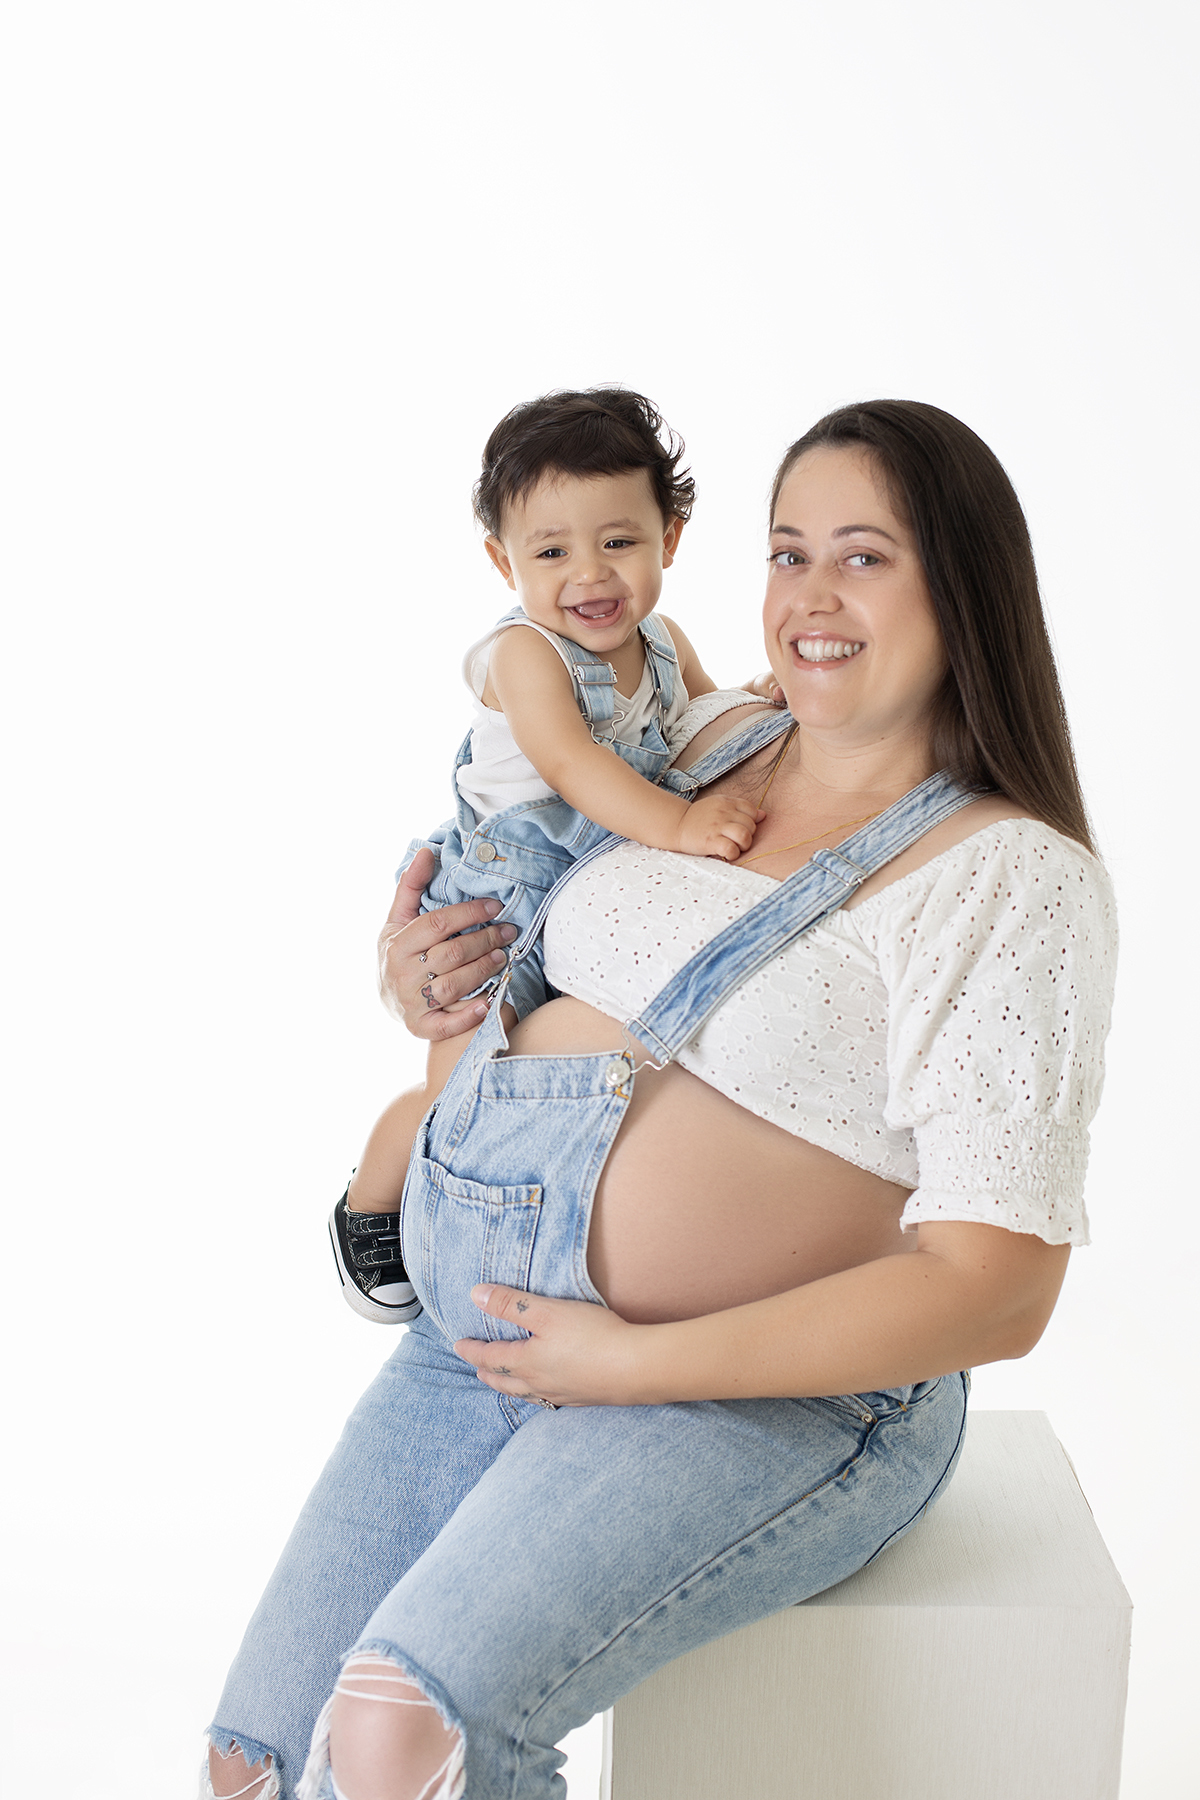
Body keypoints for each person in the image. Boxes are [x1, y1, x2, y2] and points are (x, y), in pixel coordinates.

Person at [202, 400, 1117, 1800]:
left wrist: (623, 1365)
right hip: (489, 1336)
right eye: (786, 550)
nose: (810, 597)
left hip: (760, 1397)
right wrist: (428, 974)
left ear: (963, 586)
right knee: (253, 1760)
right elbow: (518, 894)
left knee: (405, 1736)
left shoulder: (1008, 875)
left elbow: (998, 1291)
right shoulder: (696, 744)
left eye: (863, 557)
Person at [329, 389, 770, 1325]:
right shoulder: (523, 655)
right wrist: (682, 827)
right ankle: (372, 1192)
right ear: (504, 562)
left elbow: (695, 715)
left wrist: (754, 701)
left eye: (619, 541)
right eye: (551, 551)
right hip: (502, 895)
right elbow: (572, 764)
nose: (590, 575)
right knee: (464, 1101)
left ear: (671, 538)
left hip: (592, 882)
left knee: (542, 1084)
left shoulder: (660, 642)